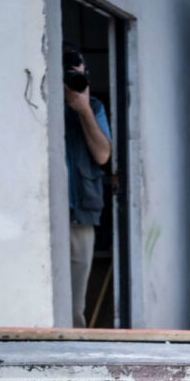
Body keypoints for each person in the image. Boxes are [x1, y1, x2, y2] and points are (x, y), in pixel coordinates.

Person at [64, 45, 111, 327]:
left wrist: (83, 111)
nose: (79, 81)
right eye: (72, 75)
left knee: (75, 307)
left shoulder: (93, 108)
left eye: (84, 75)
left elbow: (103, 154)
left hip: (80, 214)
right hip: (46, 215)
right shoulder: (40, 100)